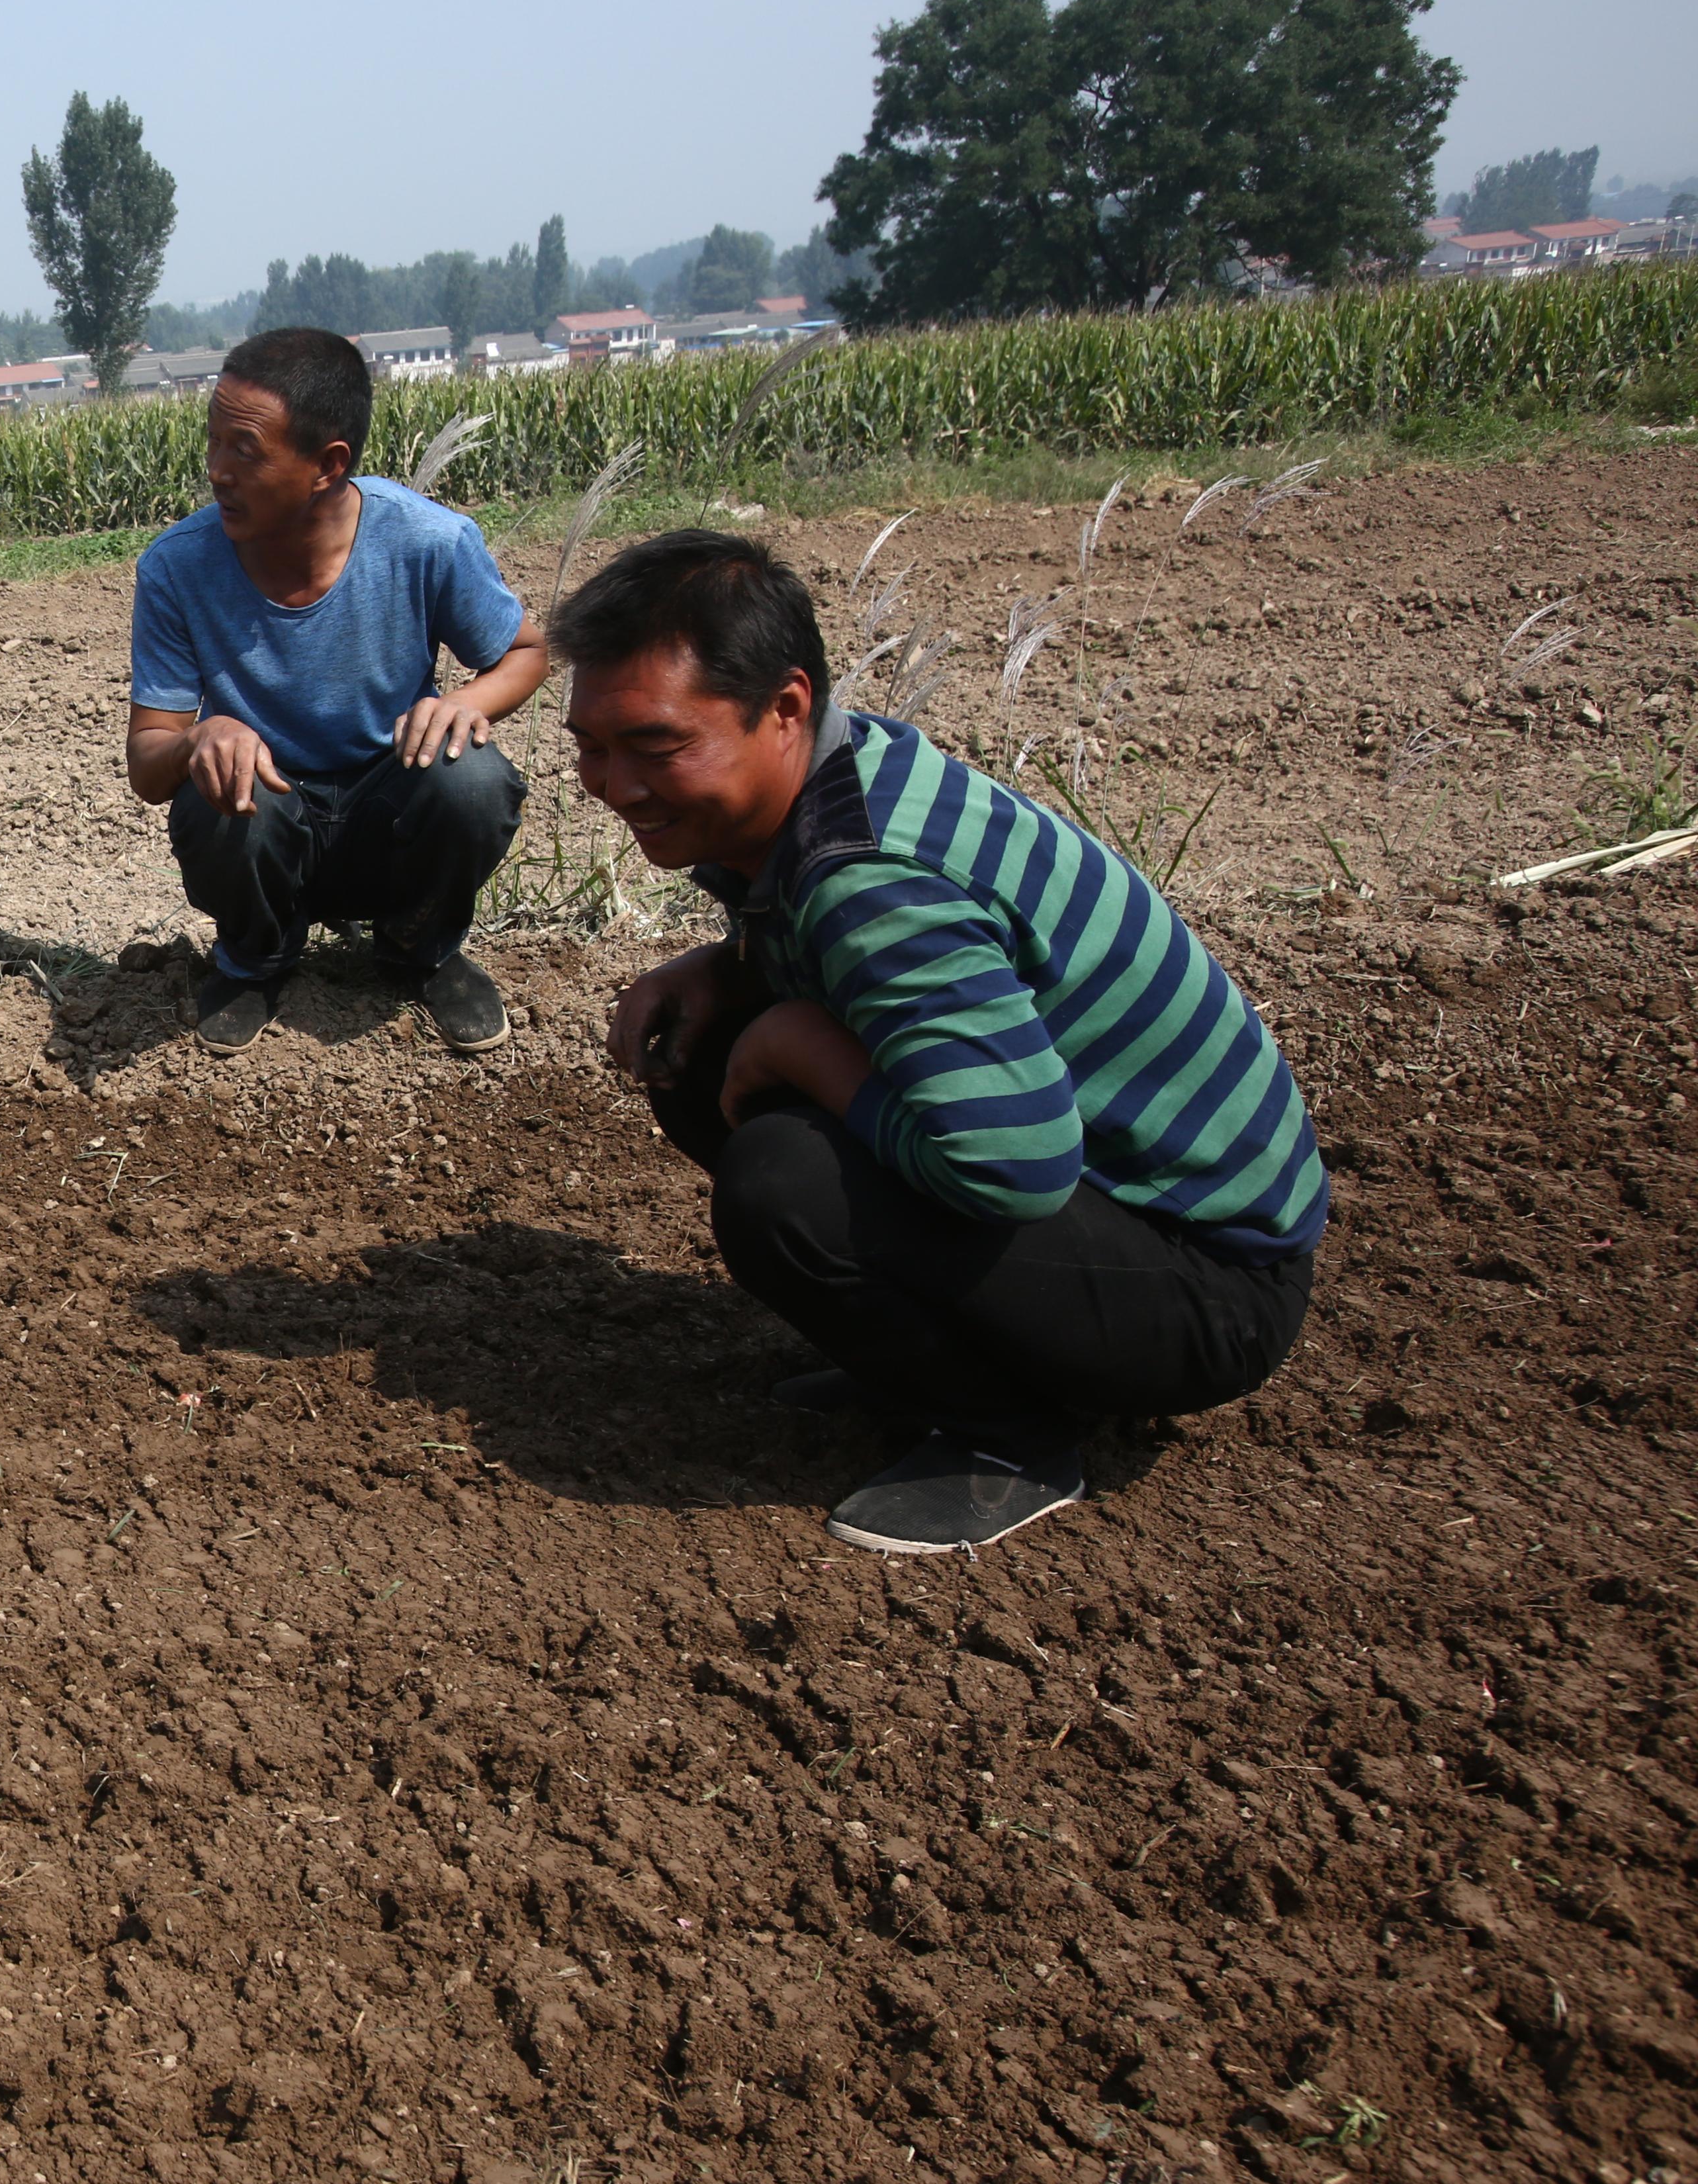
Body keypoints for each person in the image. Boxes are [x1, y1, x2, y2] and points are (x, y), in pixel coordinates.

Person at [562, 529, 1325, 1553]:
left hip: (1212, 1290)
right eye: (591, 747)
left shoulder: (873, 877)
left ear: (785, 709)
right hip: (1140, 1222)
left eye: (655, 747)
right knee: (704, 1049)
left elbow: (1013, 1167)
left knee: (784, 1181)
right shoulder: (843, 776)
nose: (613, 784)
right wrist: (734, 970)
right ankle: (933, 1364)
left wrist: (799, 1043)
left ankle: (1009, 1439)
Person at [126, 325, 553, 1054]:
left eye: (245, 450)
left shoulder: (426, 541)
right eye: (214, 442)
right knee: (216, 792)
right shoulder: (177, 568)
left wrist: (462, 704)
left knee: (473, 780)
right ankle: (256, 959)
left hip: (391, 812)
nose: (218, 471)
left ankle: (421, 949)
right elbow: (148, 761)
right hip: (270, 819)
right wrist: (199, 739)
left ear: (328, 465)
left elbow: (527, 652)